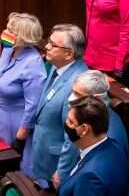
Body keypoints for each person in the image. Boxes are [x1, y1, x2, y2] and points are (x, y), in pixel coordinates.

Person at [31, 24, 88, 190]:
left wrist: (63, 171)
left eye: (53, 45)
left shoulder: (77, 84)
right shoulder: (57, 67)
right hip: (45, 159)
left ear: (69, 54)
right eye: (49, 42)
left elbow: (73, 135)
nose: (47, 47)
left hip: (57, 165)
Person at [0, 12, 47, 174]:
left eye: (11, 31)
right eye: (7, 28)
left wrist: (21, 135)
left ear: (23, 37)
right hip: (0, 118)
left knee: (21, 169)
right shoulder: (9, 50)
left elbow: (33, 104)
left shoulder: (33, 63)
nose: (5, 32)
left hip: (19, 124)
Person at [54, 70, 129, 191]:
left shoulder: (110, 135)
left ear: (95, 99)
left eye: (77, 94)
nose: (71, 98)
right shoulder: (97, 122)